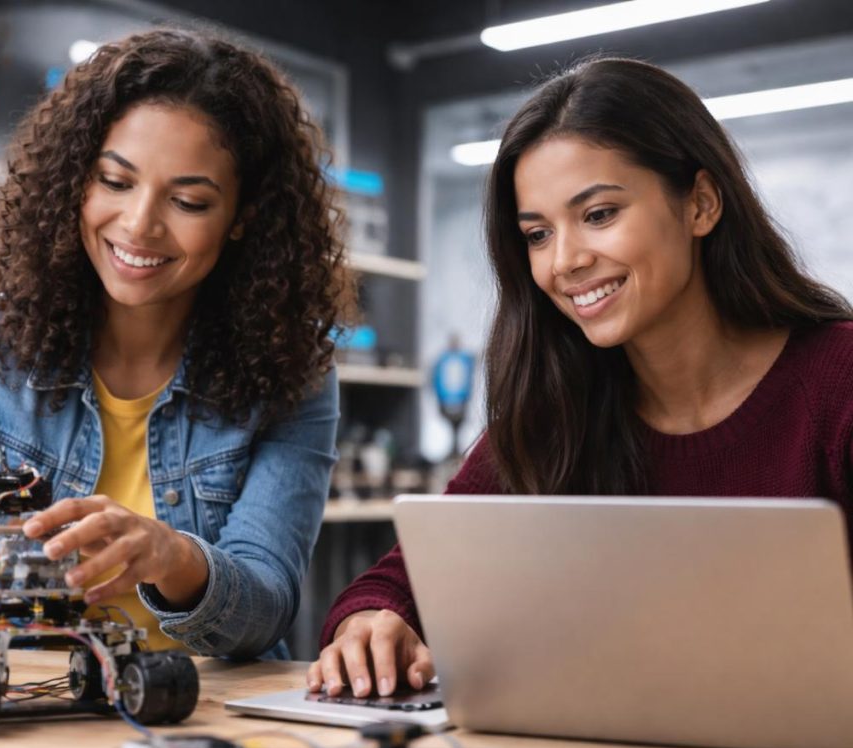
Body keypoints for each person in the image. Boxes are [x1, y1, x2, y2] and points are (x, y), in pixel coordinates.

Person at [308, 56, 853, 697]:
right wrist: (372, 623)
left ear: (701, 204)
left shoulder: (837, 379)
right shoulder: (556, 409)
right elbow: (400, 581)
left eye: (598, 215)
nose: (564, 261)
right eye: (538, 234)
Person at [0, 26, 350, 660]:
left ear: (244, 217)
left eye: (189, 201)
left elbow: (264, 609)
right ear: (76, 178)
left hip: (198, 707)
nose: (139, 224)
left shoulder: (291, 369)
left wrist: (172, 556)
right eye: (115, 181)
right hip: (11, 702)